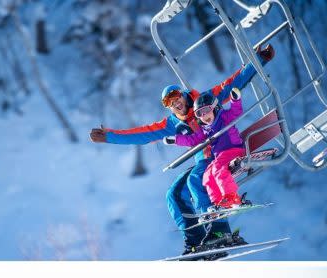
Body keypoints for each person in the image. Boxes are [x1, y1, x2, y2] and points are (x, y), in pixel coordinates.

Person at [89, 45, 274, 256]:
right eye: (168, 102)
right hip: (204, 161)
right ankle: (195, 242)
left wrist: (259, 60)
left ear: (184, 95)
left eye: (176, 96)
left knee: (197, 180)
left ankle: (219, 232)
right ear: (167, 107)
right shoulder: (171, 123)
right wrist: (110, 136)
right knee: (174, 194)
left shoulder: (204, 102)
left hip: (221, 153)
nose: (175, 102)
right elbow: (140, 134)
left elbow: (233, 82)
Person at [174, 88, 248, 213]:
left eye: (206, 111)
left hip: (234, 150)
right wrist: (175, 140)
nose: (204, 116)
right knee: (207, 175)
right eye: (199, 114)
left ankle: (232, 197)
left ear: (214, 108)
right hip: (221, 156)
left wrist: (235, 99)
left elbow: (236, 112)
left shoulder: (224, 117)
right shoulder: (205, 129)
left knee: (218, 169)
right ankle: (218, 202)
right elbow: (193, 140)